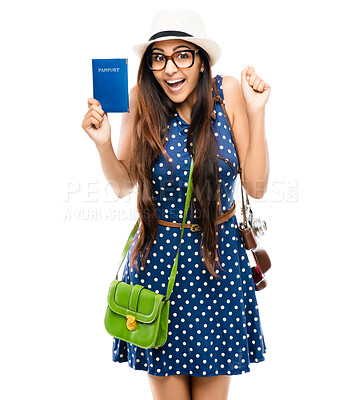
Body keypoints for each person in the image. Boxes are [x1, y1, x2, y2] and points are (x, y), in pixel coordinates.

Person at [82, 9, 271, 400]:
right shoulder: (141, 103)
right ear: (150, 65)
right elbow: (122, 186)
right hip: (160, 266)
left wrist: (256, 113)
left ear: (201, 61)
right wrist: (102, 145)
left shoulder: (229, 93)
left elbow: (256, 186)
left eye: (183, 55)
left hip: (221, 266)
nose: (170, 68)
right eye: (159, 57)